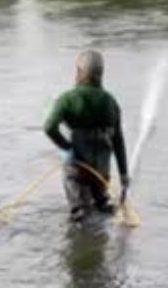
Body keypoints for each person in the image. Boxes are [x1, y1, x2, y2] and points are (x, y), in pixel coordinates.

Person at [44, 50, 130, 221]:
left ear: (78, 72)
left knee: (79, 214)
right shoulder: (111, 103)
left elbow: (49, 127)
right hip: (101, 172)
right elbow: (118, 141)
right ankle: (102, 201)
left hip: (77, 167)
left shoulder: (67, 99)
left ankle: (77, 210)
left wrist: (66, 147)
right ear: (101, 74)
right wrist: (123, 174)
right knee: (103, 207)